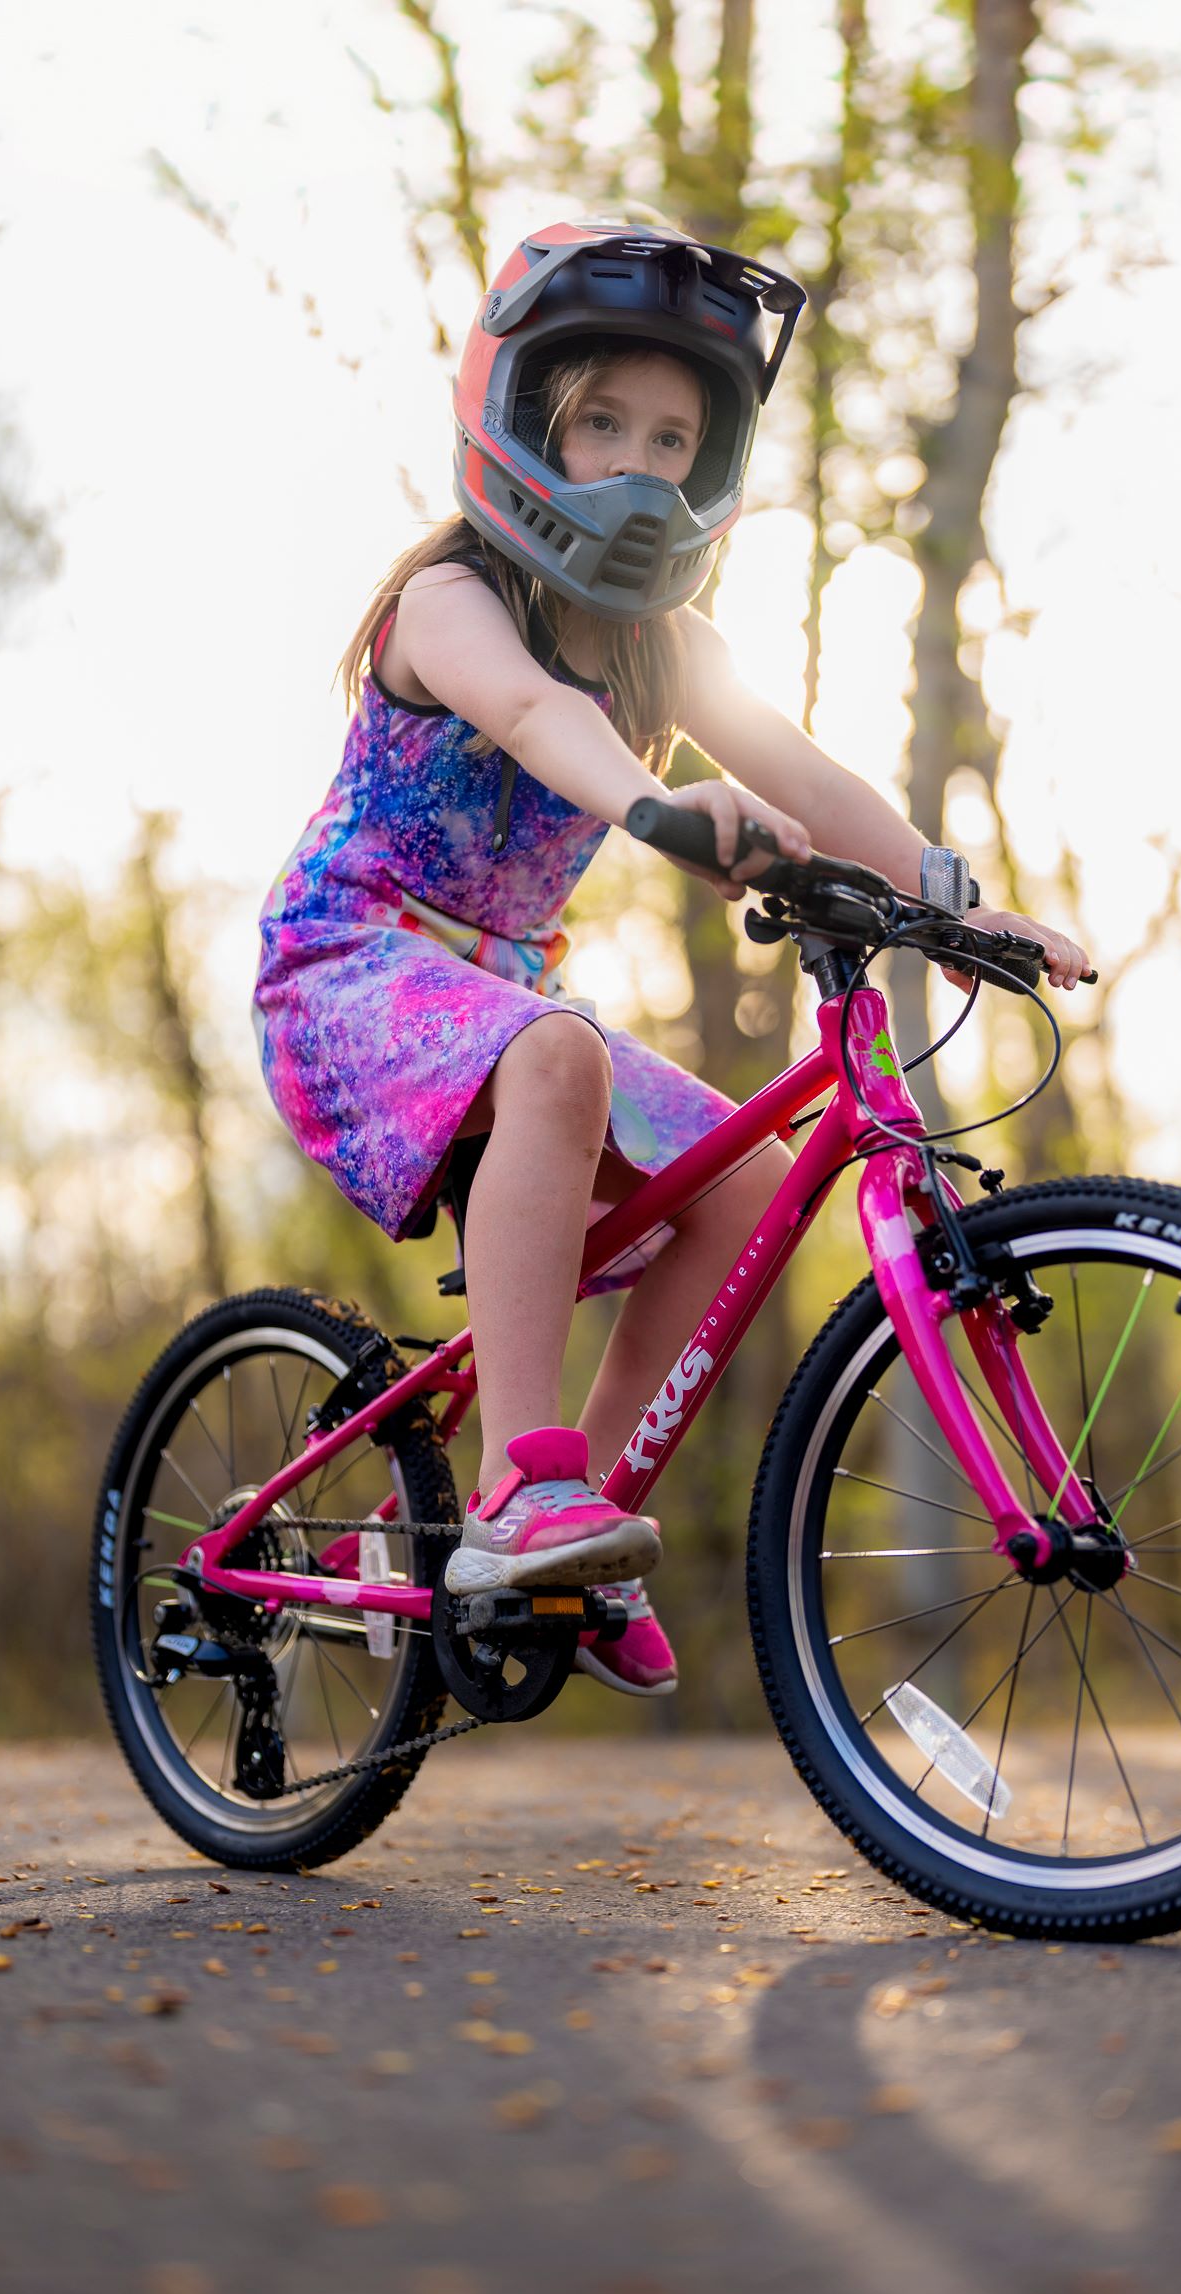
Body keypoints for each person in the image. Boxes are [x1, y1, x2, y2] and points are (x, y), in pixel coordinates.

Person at [253, 219, 1089, 1700]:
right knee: (558, 1050)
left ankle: (586, 1531)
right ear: (520, 423)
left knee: (745, 1185)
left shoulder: (668, 646)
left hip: (497, 998)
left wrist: (964, 903)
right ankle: (524, 1481)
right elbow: (526, 716)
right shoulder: (448, 602)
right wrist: (651, 803)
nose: (637, 467)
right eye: (601, 426)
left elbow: (815, 779)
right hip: (348, 975)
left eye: (671, 439)